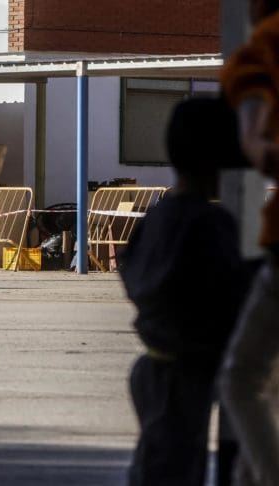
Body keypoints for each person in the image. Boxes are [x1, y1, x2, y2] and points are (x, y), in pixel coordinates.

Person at [120, 98, 248, 486]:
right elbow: (235, 289)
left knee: (159, 460)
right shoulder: (210, 223)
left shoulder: (157, 216)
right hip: (186, 372)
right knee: (173, 467)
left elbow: (128, 268)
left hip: (153, 366)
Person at [219, 0, 279, 484]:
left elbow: (257, 140)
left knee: (241, 381)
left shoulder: (262, 49)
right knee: (269, 389)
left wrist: (258, 148)